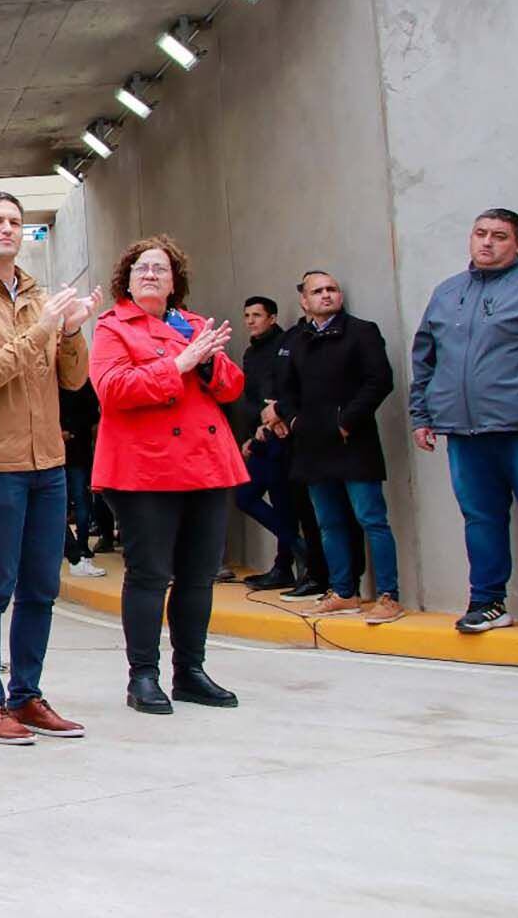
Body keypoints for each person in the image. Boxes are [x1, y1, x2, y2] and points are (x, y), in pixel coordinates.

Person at [0, 191, 99, 745]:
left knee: (40, 586)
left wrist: (71, 330)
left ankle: (27, 695)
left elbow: (74, 380)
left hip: (48, 460)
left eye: (15, 221)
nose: (8, 229)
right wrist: (42, 330)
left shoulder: (38, 296)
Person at [89, 236, 247, 715]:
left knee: (198, 575)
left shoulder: (195, 324)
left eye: (161, 268)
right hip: (145, 468)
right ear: (127, 280)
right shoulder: (112, 327)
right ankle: (143, 676)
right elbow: (113, 388)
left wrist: (208, 361)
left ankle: (191, 672)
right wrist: (178, 363)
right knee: (150, 574)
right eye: (142, 268)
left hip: (205, 464)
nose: (151, 275)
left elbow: (232, 386)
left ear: (175, 280)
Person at [273, 270, 405, 625]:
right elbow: (284, 391)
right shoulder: (295, 341)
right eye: (318, 291)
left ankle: (389, 595)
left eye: (332, 289)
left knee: (371, 519)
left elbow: (380, 381)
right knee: (328, 523)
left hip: (354, 442)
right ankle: (343, 592)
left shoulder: (362, 332)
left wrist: (346, 421)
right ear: (304, 300)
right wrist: (296, 421)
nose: (327, 295)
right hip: (313, 447)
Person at [410, 208, 518, 633]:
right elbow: (426, 357)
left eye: (499, 236)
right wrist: (422, 415)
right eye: (480, 233)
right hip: (464, 431)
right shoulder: (447, 292)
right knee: (481, 518)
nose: (487, 242)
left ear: (516, 244)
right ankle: (488, 602)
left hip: (514, 425)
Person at [235, 296, 325, 592]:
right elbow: (249, 397)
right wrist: (252, 434)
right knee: (250, 497)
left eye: (257, 315)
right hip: (262, 436)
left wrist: (273, 420)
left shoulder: (284, 346)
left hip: (281, 434)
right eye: (247, 315)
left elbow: (280, 390)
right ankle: (291, 555)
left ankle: (288, 562)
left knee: (283, 503)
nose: (250, 321)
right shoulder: (250, 352)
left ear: (272, 318)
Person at [59, 381, 106, 576]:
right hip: (75, 451)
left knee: (63, 504)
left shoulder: (52, 382)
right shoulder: (84, 384)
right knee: (79, 501)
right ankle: (81, 547)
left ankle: (75, 550)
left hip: (60, 452)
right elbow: (94, 421)